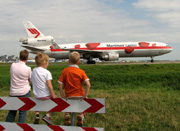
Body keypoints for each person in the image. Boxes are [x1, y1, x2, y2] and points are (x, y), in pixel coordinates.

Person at [58, 51, 91, 126]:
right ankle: (81, 115)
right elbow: (88, 84)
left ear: (69, 61)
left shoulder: (65, 71)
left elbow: (60, 84)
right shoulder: (81, 72)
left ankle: (67, 114)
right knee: (86, 104)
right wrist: (85, 95)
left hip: (68, 95)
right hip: (79, 95)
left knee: (68, 104)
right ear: (79, 61)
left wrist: (62, 94)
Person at [6, 50, 31, 123]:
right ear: (27, 58)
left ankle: (7, 127)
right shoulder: (28, 68)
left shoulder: (13, 65)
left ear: (19, 57)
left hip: (13, 91)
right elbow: (30, 80)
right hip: (24, 92)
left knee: (12, 112)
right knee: (22, 112)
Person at [31, 52, 56, 125]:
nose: (48, 63)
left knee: (36, 102)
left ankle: (37, 114)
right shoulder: (47, 72)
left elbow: (31, 80)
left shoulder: (34, 71)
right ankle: (48, 115)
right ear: (44, 62)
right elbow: (49, 86)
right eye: (48, 62)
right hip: (45, 95)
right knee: (56, 103)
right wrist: (53, 95)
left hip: (36, 95)